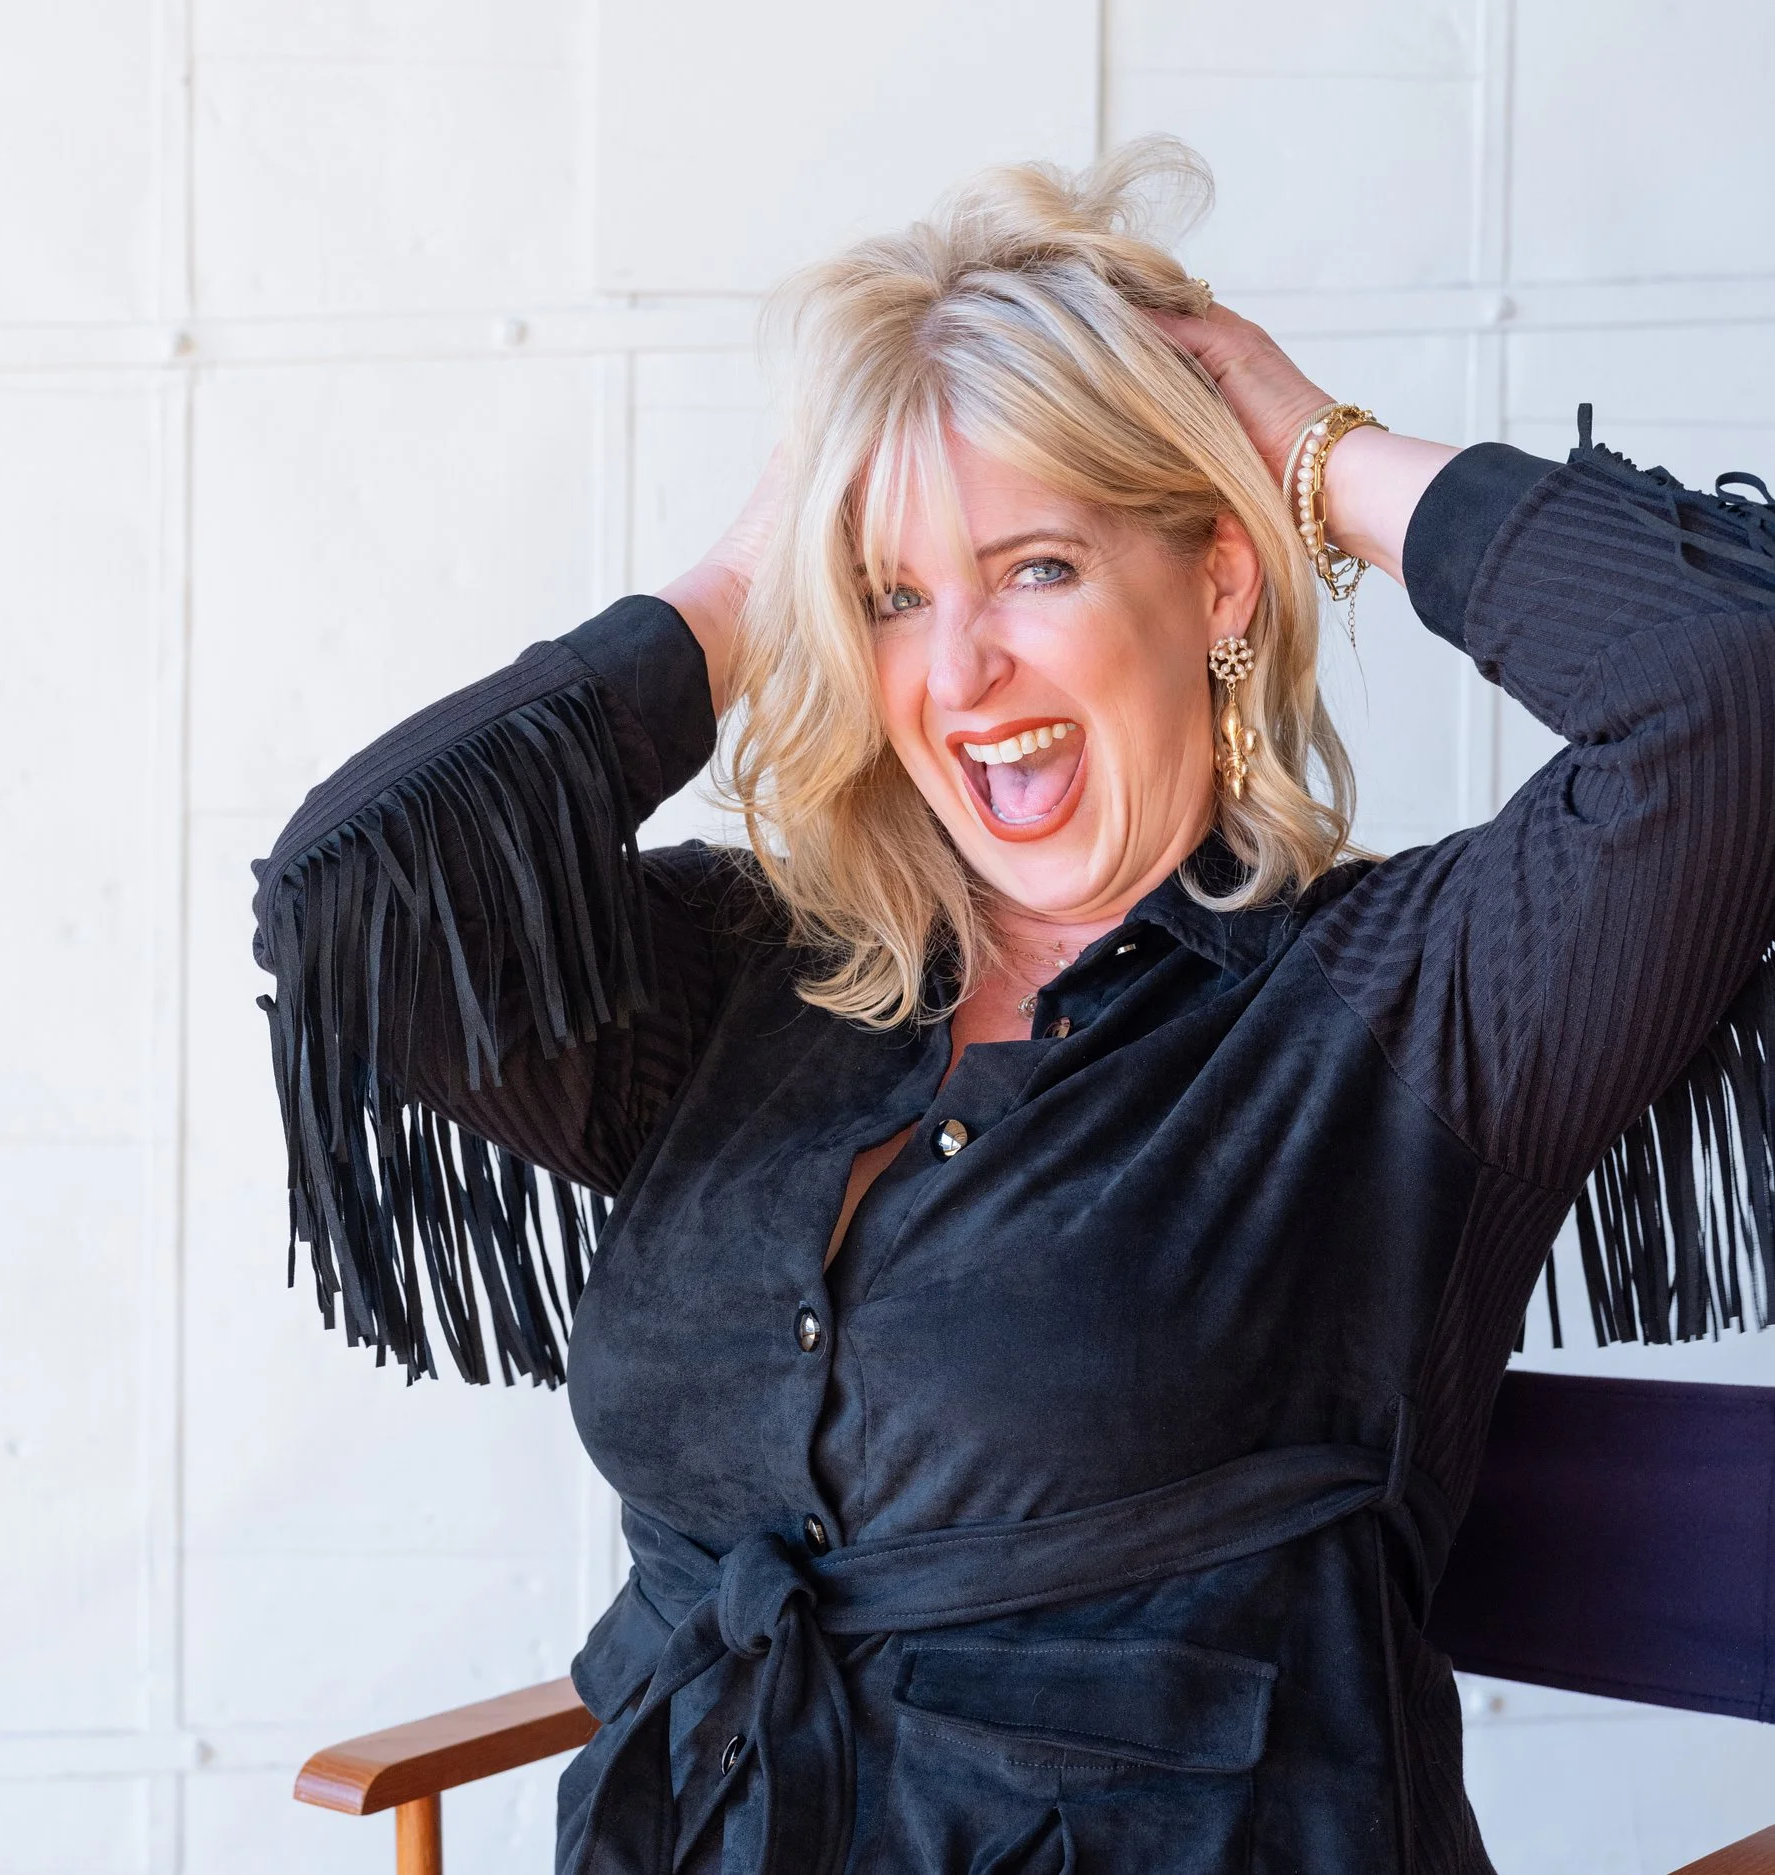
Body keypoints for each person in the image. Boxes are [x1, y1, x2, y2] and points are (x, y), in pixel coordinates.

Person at [248, 139, 1775, 1875]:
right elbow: (349, 908)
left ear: (1216, 579)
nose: (958, 675)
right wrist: (758, 573)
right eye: (895, 597)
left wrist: (1308, 443)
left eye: (1035, 567)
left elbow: (1738, 682)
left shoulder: (1407, 1009)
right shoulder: (756, 981)